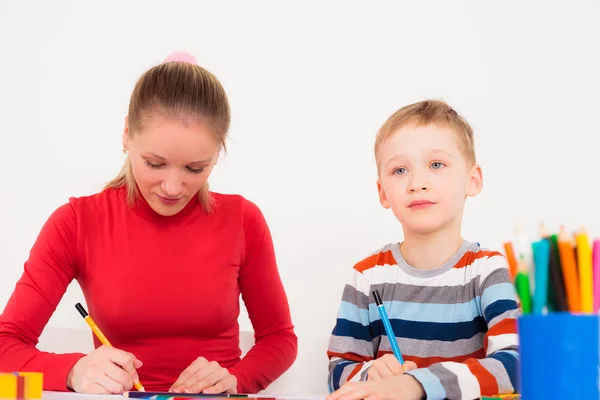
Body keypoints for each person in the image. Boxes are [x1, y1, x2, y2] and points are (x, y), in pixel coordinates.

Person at [0, 51, 297, 395]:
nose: (172, 187)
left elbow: (280, 339)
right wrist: (71, 371)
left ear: (218, 153)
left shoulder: (244, 220)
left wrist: (236, 378)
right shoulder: (76, 223)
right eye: (155, 163)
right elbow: (6, 347)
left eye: (195, 168)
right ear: (127, 135)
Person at [325, 100, 521, 400]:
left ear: (472, 179)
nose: (417, 183)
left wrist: (417, 384)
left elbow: (515, 364)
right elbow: (337, 371)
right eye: (400, 170)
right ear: (383, 192)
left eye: (436, 165)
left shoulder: (489, 272)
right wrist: (370, 374)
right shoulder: (366, 276)